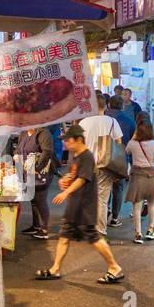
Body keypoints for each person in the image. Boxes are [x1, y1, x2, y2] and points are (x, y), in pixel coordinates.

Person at [34, 124, 124, 284]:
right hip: (75, 205)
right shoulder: (77, 156)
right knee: (64, 236)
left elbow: (83, 179)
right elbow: (76, 175)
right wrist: (66, 179)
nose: (65, 144)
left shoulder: (87, 156)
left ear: (78, 140)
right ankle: (55, 269)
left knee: (94, 237)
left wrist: (66, 192)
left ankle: (114, 267)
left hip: (84, 206)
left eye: (68, 141)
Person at [78, 101, 123, 238]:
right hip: (105, 166)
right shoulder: (112, 122)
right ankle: (101, 231)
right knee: (102, 200)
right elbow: (119, 143)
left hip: (87, 165)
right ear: (106, 106)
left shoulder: (84, 122)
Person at [125, 120, 154, 244]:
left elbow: (126, 151)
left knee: (137, 206)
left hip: (137, 177)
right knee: (152, 204)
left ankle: (138, 234)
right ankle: (150, 230)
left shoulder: (132, 144)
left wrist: (135, 136)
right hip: (152, 177)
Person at [18, 125, 56, 240]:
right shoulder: (24, 133)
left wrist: (38, 167)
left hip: (40, 173)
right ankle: (36, 226)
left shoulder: (43, 133)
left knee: (40, 199)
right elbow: (19, 148)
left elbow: (47, 151)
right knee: (33, 199)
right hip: (28, 172)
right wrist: (16, 155)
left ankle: (44, 230)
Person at [106, 96, 135, 227]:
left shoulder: (102, 118)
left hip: (102, 158)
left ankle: (105, 211)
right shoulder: (130, 121)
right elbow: (132, 142)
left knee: (103, 186)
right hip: (121, 159)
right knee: (118, 188)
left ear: (108, 105)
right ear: (122, 106)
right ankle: (115, 218)